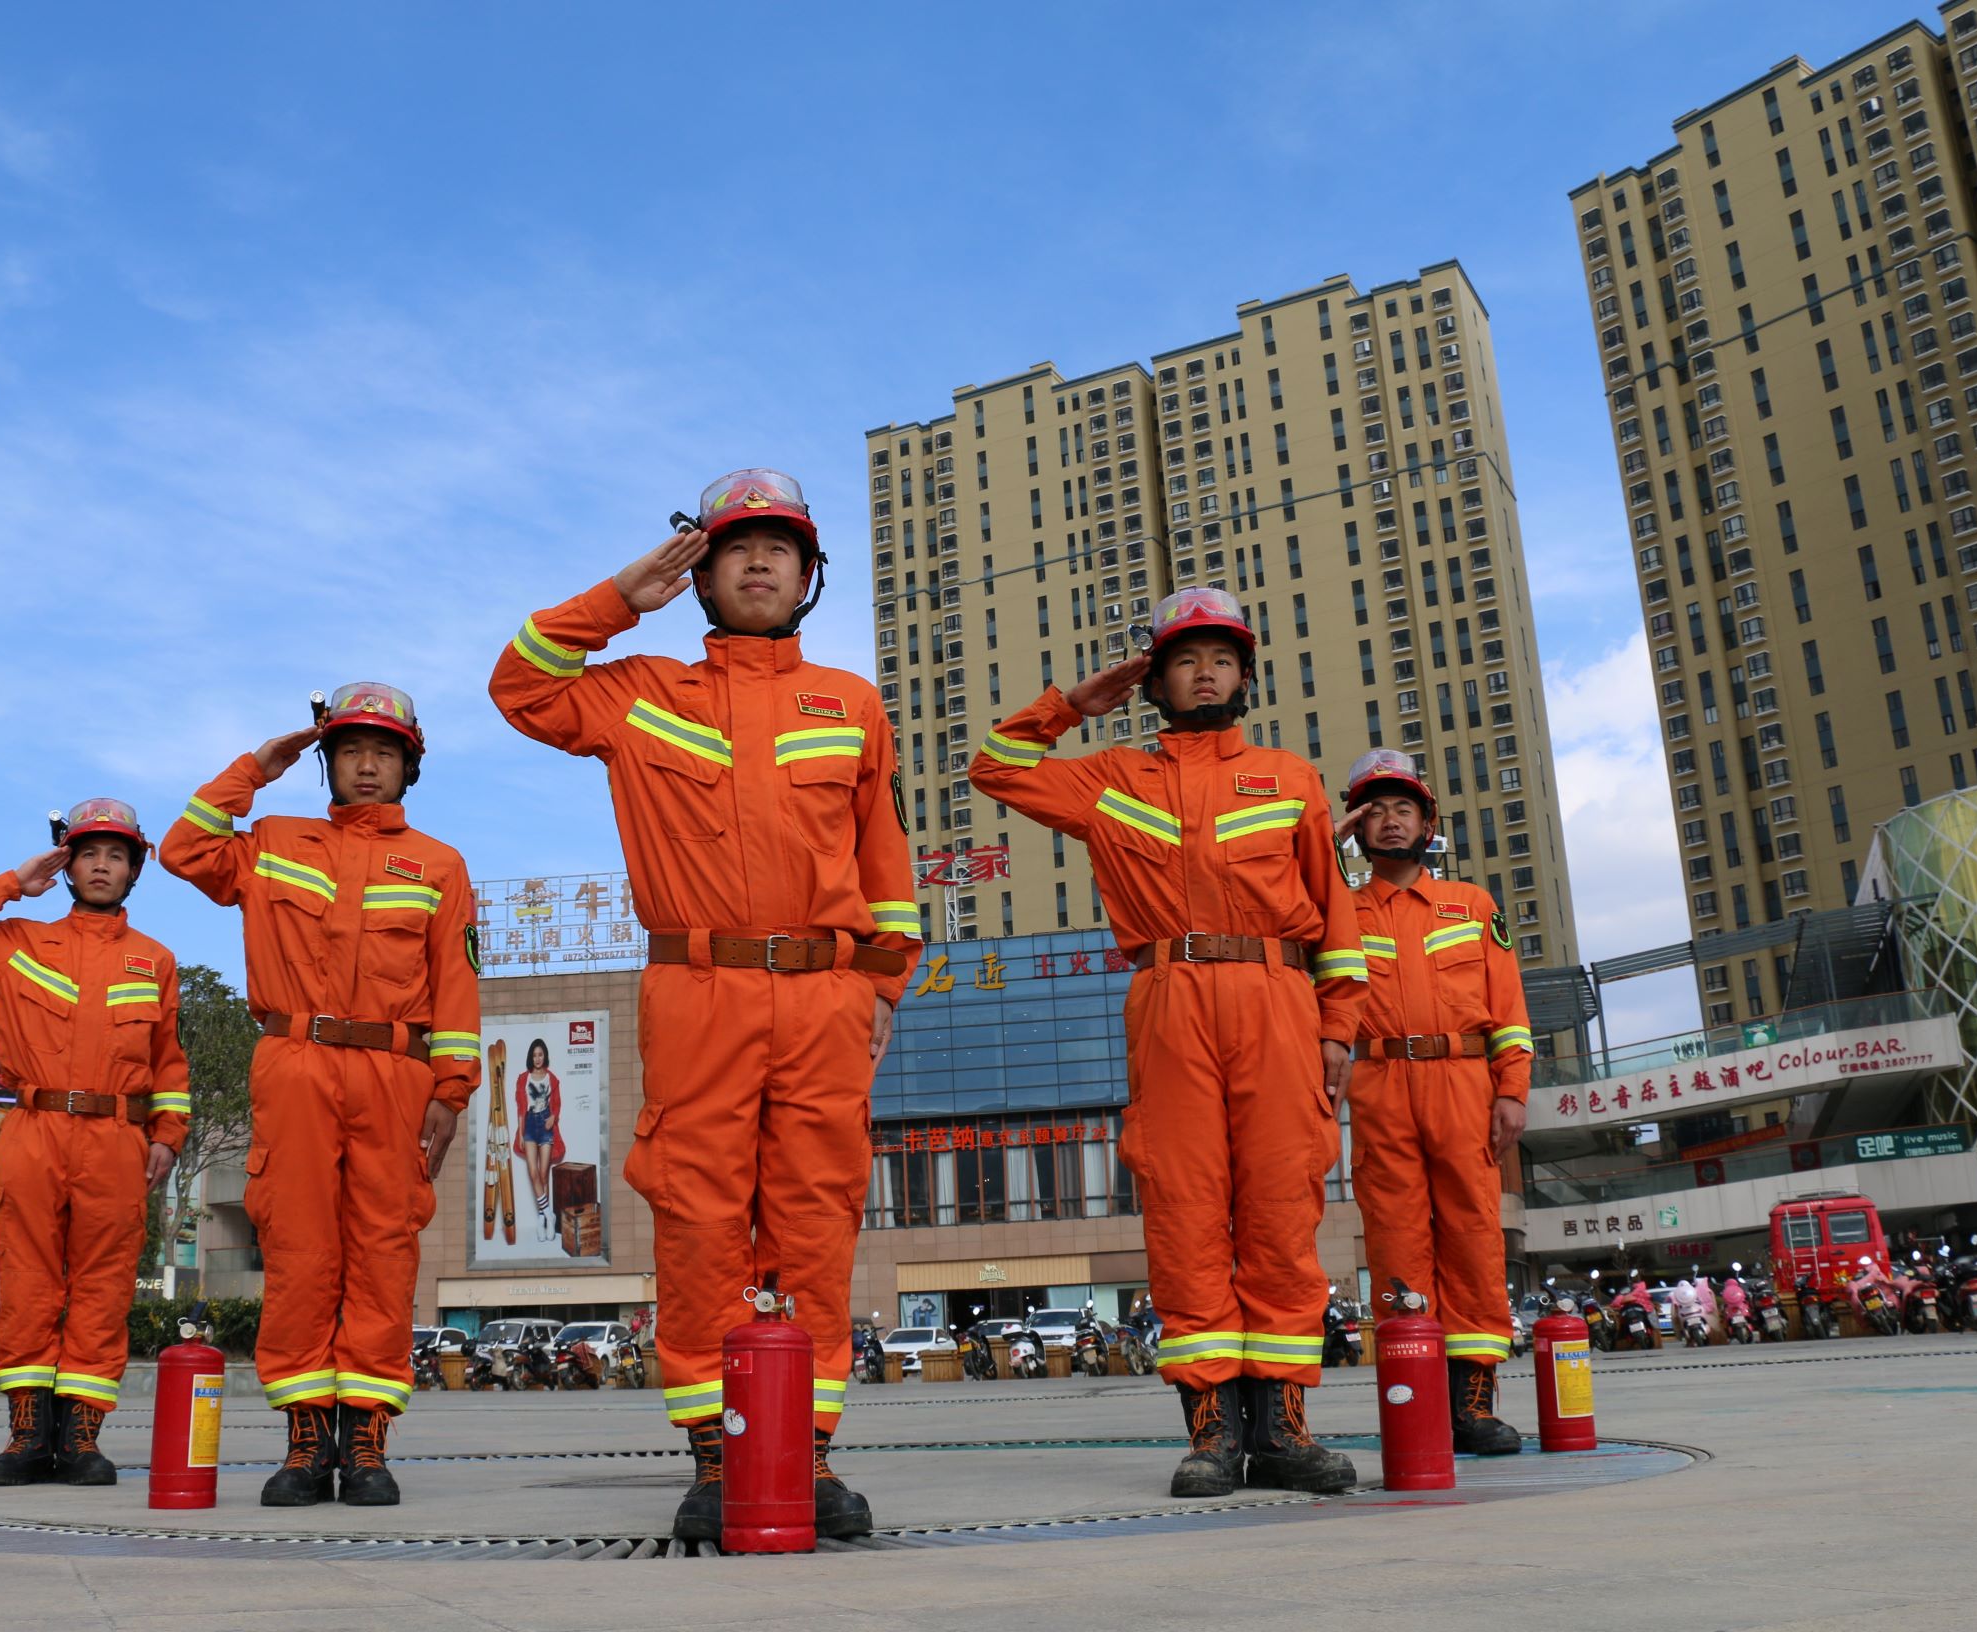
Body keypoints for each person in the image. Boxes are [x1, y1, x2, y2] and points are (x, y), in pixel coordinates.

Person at [489, 468, 919, 1542]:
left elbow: (885, 856)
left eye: (780, 549)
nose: (760, 563)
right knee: (697, 1223)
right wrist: (619, 596)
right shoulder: (638, 691)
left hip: (823, 991)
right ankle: (721, 1452)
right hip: (697, 986)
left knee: (817, 1220)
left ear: (811, 576)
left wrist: (878, 982)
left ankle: (806, 1453)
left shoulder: (850, 704)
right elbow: (521, 687)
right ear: (702, 574)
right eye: (736, 549)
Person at [970, 586, 1364, 1498]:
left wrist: (1336, 1024)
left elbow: (1333, 915)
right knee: (1185, 1207)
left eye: (1220, 660)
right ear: (1155, 680)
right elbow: (993, 767)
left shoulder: (1290, 777)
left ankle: (1284, 1432)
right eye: (1184, 660)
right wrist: (1072, 705)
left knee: (1279, 1206)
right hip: (1168, 994)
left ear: (1244, 676)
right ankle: (1211, 1435)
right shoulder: (1108, 777)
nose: (1204, 674)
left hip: (1275, 996)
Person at [159, 682, 480, 1508]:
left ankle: (366, 1438)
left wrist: (452, 1088)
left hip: (396, 1073)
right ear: (326, 762)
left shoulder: (439, 864)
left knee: (383, 1251)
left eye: (382, 753)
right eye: (349, 752)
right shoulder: (269, 842)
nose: (366, 767)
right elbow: (183, 850)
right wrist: (258, 767)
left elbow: (457, 983)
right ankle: (306, 1438)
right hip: (294, 1060)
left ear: (409, 767)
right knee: (300, 1251)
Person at [0, 798, 190, 1487]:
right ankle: (27, 1437)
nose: (102, 866)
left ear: (136, 869)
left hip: (116, 1138)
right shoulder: (15, 941)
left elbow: (167, 1058)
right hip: (35, 1129)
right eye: (88, 853)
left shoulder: (153, 961)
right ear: (67, 864)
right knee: (28, 1281)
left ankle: (81, 1441)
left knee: (103, 1286)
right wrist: (16, 880)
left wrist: (168, 1133)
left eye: (117, 855)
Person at [1333, 748, 1533, 1456]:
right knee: (1394, 1239)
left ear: (1428, 821)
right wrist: (1325, 849)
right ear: (1357, 826)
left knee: (1472, 1237)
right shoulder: (1339, 913)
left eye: (1402, 808)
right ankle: (1413, 1396)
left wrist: (1511, 1088)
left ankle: (1473, 1405)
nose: (1390, 823)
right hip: (1381, 1085)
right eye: (1374, 810)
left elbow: (1507, 1006)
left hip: (1462, 1082)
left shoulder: (1471, 905)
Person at [512, 1038, 565, 1240]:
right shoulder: (523, 1078)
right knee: (533, 1172)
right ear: (530, 1057)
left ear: (545, 1056)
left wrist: (553, 1117)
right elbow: (520, 1106)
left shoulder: (552, 1078)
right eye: (534, 1055)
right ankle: (548, 1215)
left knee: (543, 1174)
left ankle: (543, 1220)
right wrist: (520, 1132)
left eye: (540, 1054)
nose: (537, 1058)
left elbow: (558, 1103)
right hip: (529, 1124)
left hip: (545, 1124)